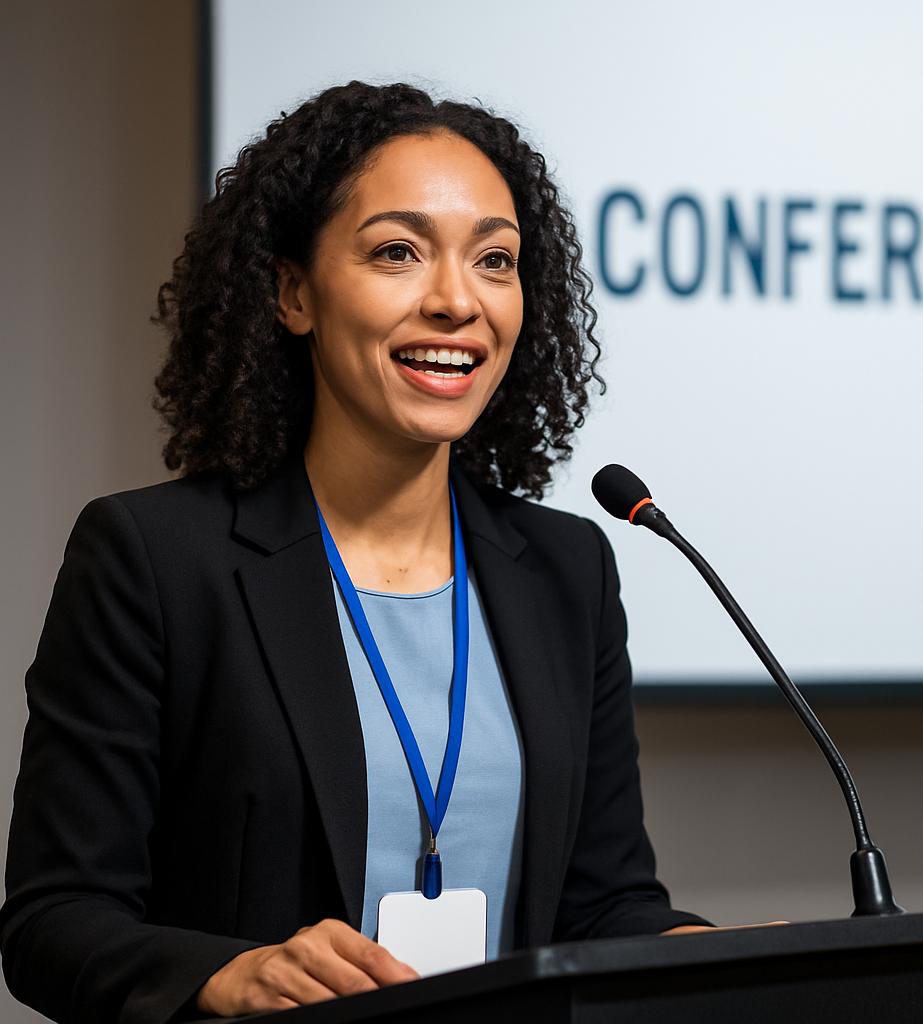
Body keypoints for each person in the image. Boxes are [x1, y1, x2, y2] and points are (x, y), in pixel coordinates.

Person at [0, 82, 713, 1024]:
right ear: (292, 292)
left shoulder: (567, 569)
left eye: (495, 261)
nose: (458, 300)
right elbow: (52, 924)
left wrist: (720, 957)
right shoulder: (156, 560)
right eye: (397, 252)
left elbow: (603, 903)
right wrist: (224, 975)